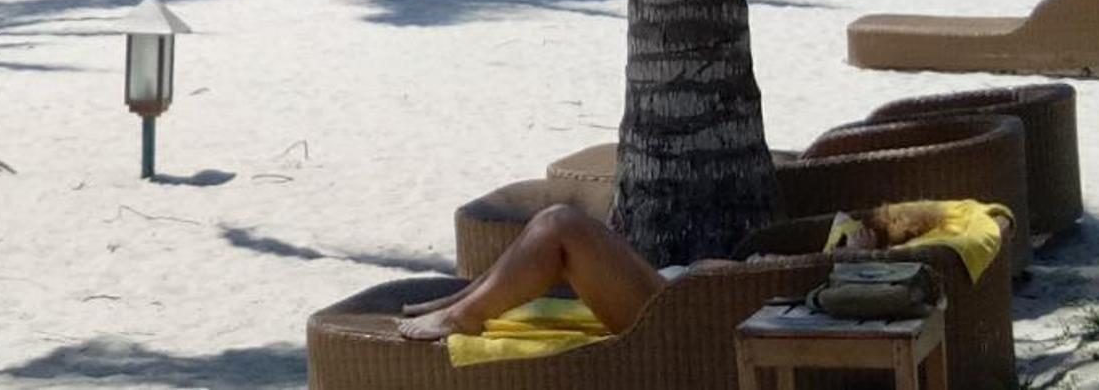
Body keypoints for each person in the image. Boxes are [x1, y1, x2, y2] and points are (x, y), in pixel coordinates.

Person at [399, 198, 948, 344]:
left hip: (674, 313)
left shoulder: (841, 267)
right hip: (673, 289)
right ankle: (460, 303)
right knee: (552, 230)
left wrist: (851, 254)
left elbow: (821, 294)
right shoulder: (824, 251)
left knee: (561, 225)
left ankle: (465, 314)